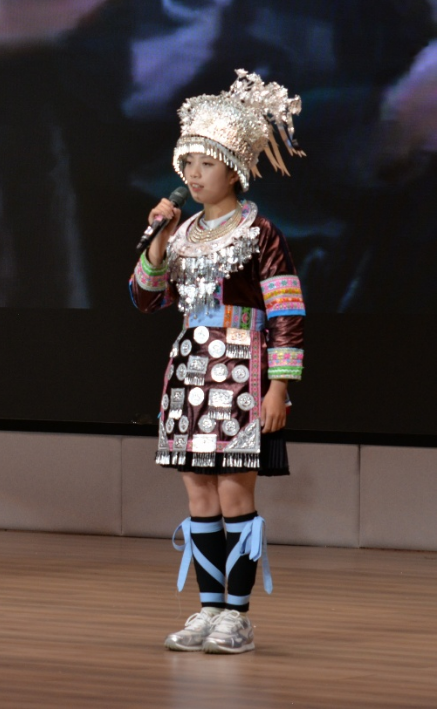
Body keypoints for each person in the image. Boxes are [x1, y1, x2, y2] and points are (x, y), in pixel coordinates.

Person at [129, 70, 306, 653]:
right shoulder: (179, 234)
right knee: (199, 497)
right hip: (190, 373)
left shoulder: (261, 232)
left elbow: (286, 310)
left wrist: (279, 386)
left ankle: (238, 615)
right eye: (187, 164)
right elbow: (145, 298)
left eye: (205, 163)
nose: (193, 174)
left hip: (242, 373)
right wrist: (158, 237)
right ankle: (208, 608)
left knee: (234, 495)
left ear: (233, 169)